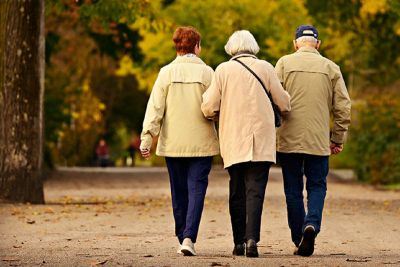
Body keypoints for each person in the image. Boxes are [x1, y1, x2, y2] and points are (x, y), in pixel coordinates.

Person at [201, 30, 291, 257]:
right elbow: (284, 103)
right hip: (261, 139)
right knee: (255, 191)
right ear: (253, 47)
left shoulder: (222, 70)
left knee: (236, 190)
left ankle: (238, 242)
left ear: (231, 48)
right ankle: (252, 239)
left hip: (234, 139)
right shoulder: (266, 68)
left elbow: (209, 106)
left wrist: (216, 113)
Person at [140, 26, 219, 256]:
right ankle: (188, 237)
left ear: (177, 47)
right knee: (196, 190)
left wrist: (147, 138)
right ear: (196, 46)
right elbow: (215, 107)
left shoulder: (165, 73)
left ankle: (181, 234)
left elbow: (155, 108)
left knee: (178, 192)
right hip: (201, 144)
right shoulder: (208, 73)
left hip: (173, 144)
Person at [275, 25, 351, 256]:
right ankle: (312, 224)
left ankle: (299, 236)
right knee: (317, 186)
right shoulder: (331, 67)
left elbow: (273, 100)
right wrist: (337, 137)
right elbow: (343, 107)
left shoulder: (283, 64)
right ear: (317, 44)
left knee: (293, 190)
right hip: (318, 141)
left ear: (295, 43)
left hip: (288, 140)